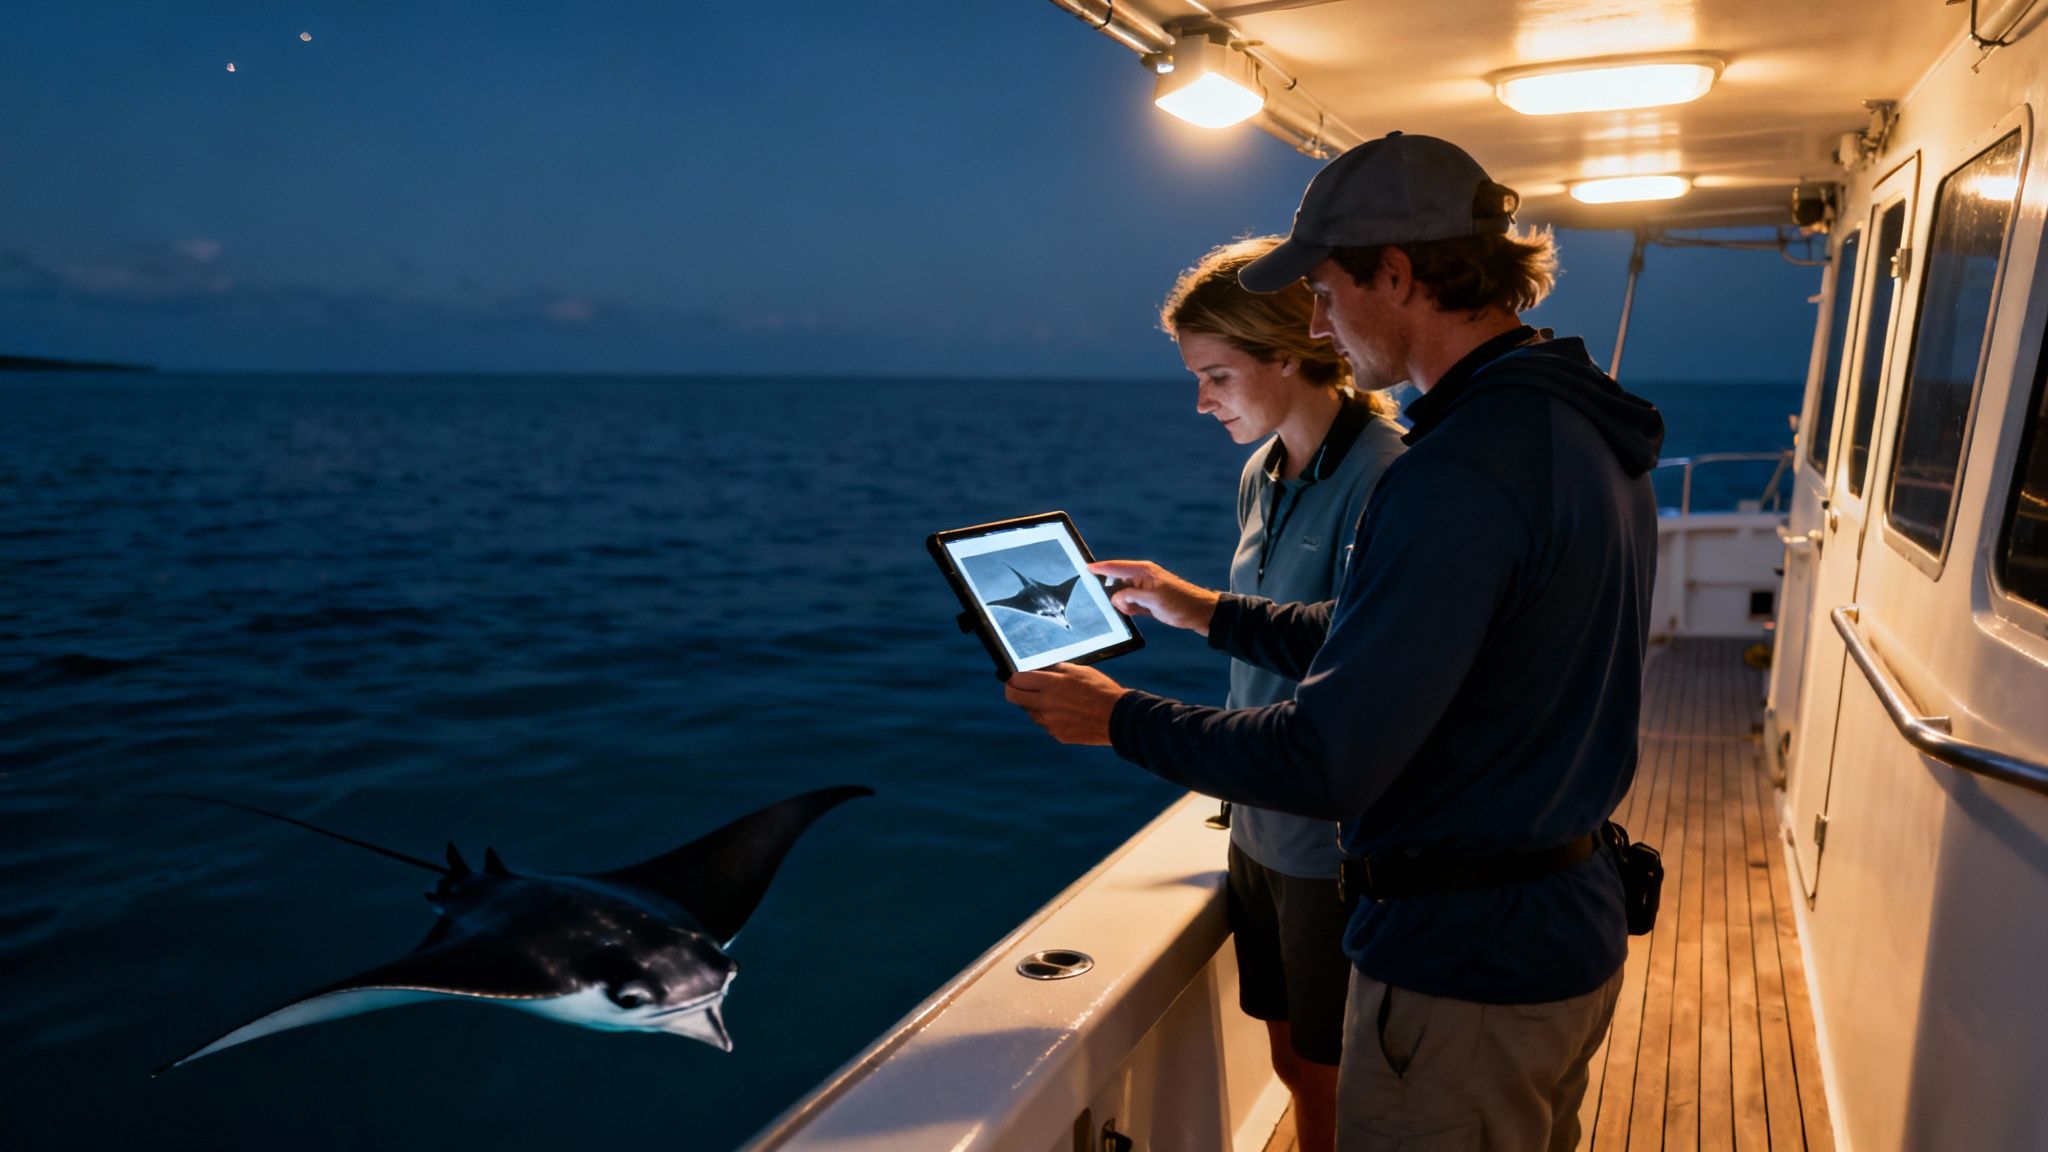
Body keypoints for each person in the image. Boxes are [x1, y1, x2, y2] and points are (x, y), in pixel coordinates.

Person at [1003, 132, 1664, 1151]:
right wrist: (1206, 609)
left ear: (1394, 274)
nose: (1314, 323)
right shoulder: (1569, 429)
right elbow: (1401, 633)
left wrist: (1118, 719)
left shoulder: (1456, 470)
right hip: (1553, 925)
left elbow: (1327, 756)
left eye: (1319, 290)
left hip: (1465, 968)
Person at [1160, 236, 1405, 1152]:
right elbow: (1264, 625)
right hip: (1257, 826)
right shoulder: (1260, 475)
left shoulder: (1387, 474)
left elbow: (1370, 664)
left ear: (1292, 349)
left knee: (1334, 1079)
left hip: (1329, 842)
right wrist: (1182, 604)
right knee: (1290, 1064)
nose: (1202, 401)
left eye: (1217, 375)